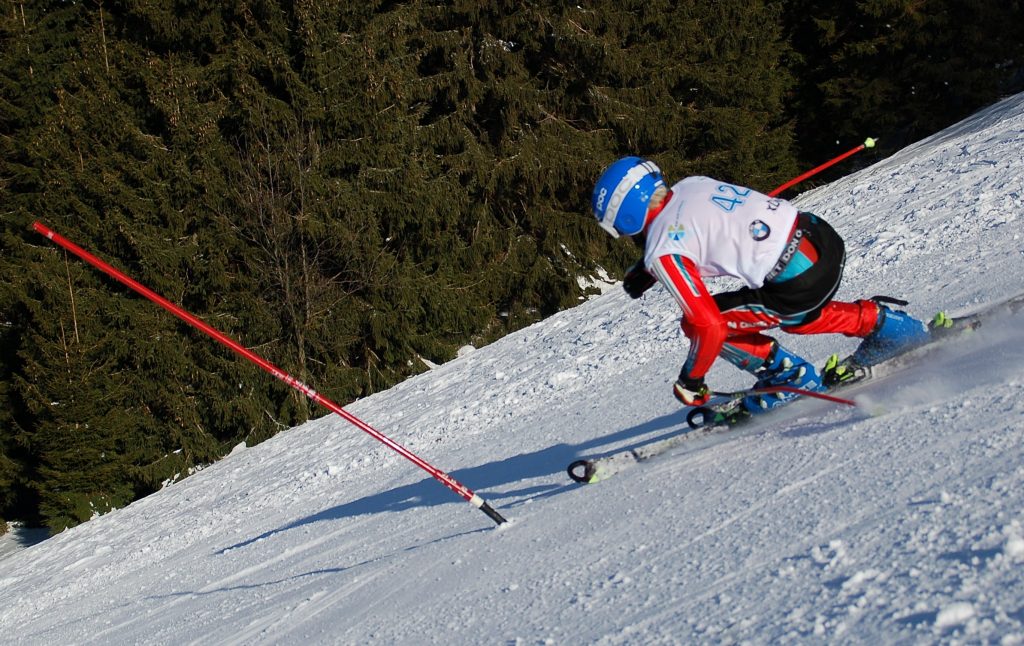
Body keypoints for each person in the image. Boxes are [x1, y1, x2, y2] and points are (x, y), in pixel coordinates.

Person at [590, 156, 936, 414]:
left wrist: (691, 381)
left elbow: (706, 323)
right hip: (822, 238)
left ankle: (789, 380)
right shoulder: (690, 184)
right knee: (798, 315)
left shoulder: (662, 253)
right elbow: (704, 224)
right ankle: (887, 326)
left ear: (627, 219)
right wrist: (646, 271)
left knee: (704, 325)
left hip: (798, 281)